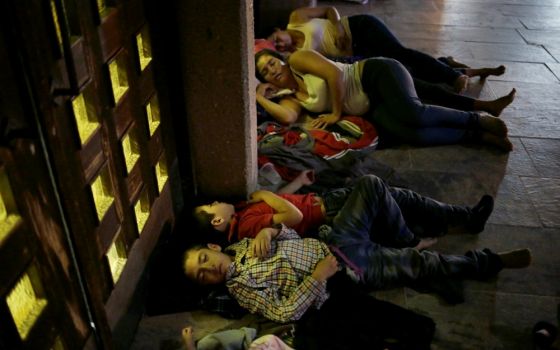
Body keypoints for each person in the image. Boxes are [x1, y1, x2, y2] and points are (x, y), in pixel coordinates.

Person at [182, 224, 530, 348]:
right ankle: (466, 266)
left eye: (202, 260)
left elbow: (293, 230)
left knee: (377, 196)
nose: (207, 269)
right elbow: (283, 311)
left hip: (337, 252)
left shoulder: (248, 242)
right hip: (331, 285)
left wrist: (271, 230)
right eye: (201, 275)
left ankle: (460, 262)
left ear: (212, 249)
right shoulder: (240, 286)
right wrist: (318, 276)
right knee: (412, 321)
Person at [255, 48, 513, 151]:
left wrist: (335, 113)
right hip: (371, 106)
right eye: (265, 71)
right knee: (412, 135)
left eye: (272, 62)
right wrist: (256, 96)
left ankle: (477, 120)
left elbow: (335, 74)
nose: (272, 69)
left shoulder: (299, 60)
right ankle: (476, 137)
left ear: (281, 59)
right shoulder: (291, 97)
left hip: (374, 74)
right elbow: (288, 117)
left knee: (413, 114)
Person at [194, 171, 497, 257]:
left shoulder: (245, 213)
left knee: (401, 197)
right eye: (212, 206)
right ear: (217, 221)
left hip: (325, 201)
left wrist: (298, 182)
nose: (218, 201)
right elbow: (293, 217)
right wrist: (264, 193)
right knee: (379, 188)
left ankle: (465, 216)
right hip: (329, 213)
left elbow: (280, 205)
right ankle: (408, 242)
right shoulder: (246, 226)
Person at [266, 6, 506, 93]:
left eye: (276, 38)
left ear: (279, 29)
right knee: (402, 68)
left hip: (359, 28)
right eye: (276, 46)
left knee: (399, 54)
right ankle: (456, 67)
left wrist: (337, 27)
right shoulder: (296, 55)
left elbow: (329, 10)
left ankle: (453, 76)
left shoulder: (296, 17)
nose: (279, 43)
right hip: (357, 53)